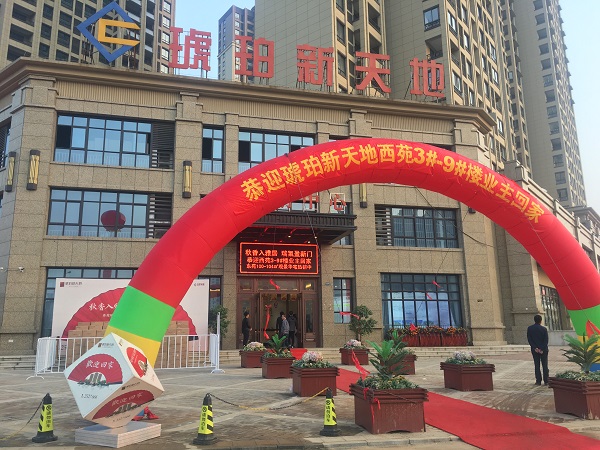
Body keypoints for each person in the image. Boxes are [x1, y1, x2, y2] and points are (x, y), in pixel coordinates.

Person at [527, 314, 549, 386]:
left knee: (537, 365)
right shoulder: (544, 329)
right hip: (543, 350)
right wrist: (541, 349)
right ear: (541, 320)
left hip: (535, 350)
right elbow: (546, 341)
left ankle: (538, 381)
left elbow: (529, 339)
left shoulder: (530, 328)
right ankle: (546, 381)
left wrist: (535, 348)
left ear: (534, 320)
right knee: (545, 365)